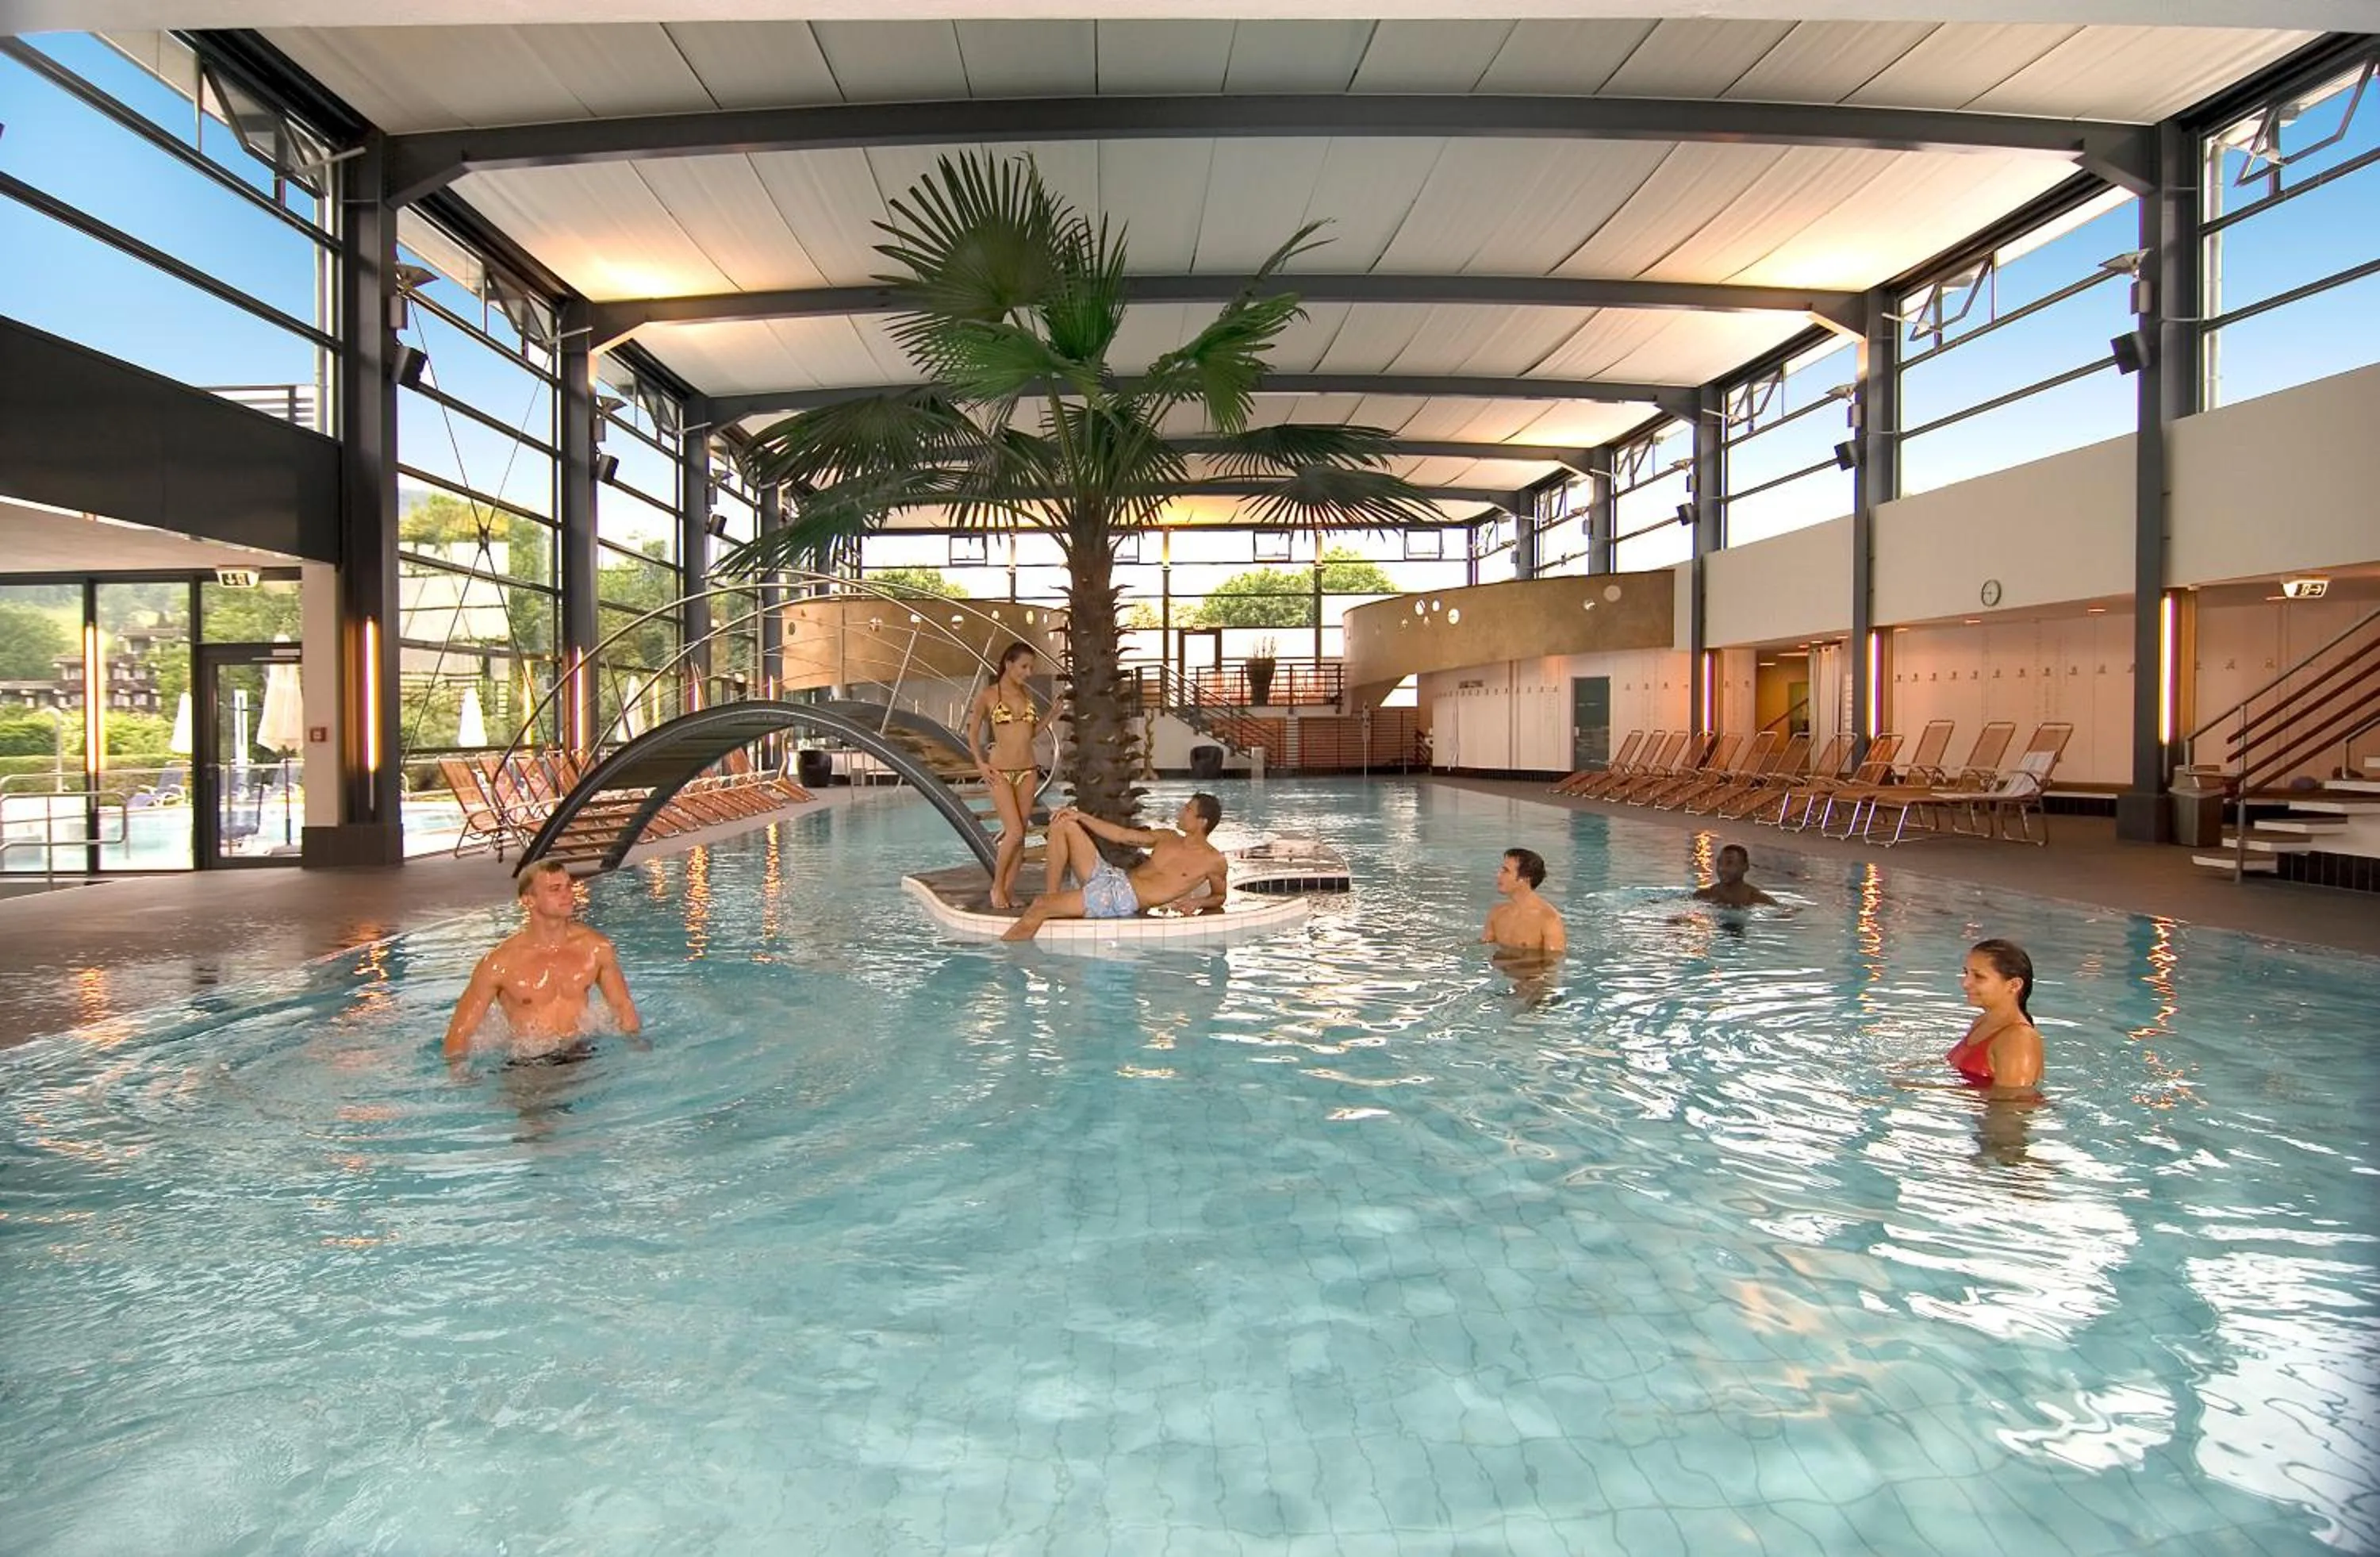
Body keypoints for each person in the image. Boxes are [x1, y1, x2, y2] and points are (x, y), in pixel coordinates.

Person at [443, 860, 640, 1065]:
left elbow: (622, 1005)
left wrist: (636, 1048)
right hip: (529, 1062)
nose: (567, 894)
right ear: (528, 900)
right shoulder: (499, 964)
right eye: (555, 889)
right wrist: (460, 1074)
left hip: (582, 1049)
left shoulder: (596, 948)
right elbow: (461, 1031)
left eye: (568, 886)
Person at [1002, 794, 1229, 940]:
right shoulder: (1168, 837)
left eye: (1188, 809)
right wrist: (1081, 816)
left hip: (1121, 899)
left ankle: (1004, 963)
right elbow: (1122, 835)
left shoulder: (1214, 861)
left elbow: (1219, 896)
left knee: (1040, 906)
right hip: (1112, 877)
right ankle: (1053, 896)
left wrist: (1196, 902)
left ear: (1202, 822)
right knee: (1064, 822)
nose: (1181, 811)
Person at [967, 641, 1042, 911]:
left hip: (1028, 771)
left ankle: (1009, 891)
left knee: (1021, 836)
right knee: (1014, 832)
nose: (1028, 672)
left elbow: (1029, 734)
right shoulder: (988, 695)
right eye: (1024, 666)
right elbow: (972, 733)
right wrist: (980, 764)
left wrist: (1051, 717)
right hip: (1000, 771)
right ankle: (997, 886)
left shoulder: (1027, 694)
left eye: (1031, 667)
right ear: (1008, 664)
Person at [1945, 938, 2044, 1090]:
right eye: (1966, 973)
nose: (1965, 984)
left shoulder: (2019, 1039)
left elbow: (2013, 1104)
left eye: (1979, 976)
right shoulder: (1982, 1022)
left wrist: (1928, 1089)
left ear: (2014, 985)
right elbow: (1963, 1065)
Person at [1482, 848, 1566, 953]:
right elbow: (1485, 946)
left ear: (1525, 878)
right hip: (1501, 969)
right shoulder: (1497, 913)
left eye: (1506, 871)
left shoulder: (1548, 919)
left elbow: (1553, 963)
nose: (1498, 875)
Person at [1693, 844, 1779, 909]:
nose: (1722, 869)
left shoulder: (1758, 899)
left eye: (1729, 863)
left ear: (1745, 867)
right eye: (1719, 863)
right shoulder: (1704, 895)